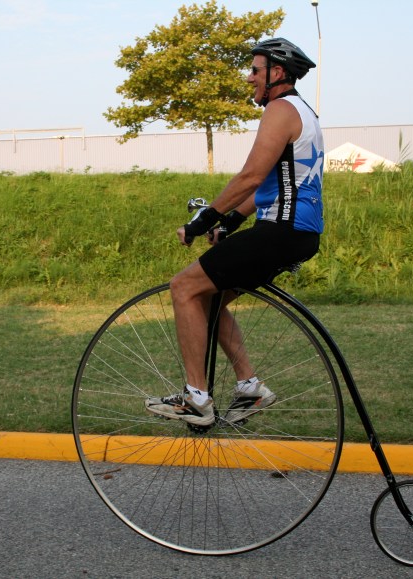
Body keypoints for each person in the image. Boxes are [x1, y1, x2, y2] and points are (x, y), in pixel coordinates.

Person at [145, 37, 324, 427]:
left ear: (277, 73)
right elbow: (273, 186)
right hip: (296, 232)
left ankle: (196, 399)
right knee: (208, 299)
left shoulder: (279, 109)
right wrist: (230, 222)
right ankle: (249, 387)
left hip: (279, 230)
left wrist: (203, 220)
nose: (249, 78)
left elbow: (250, 176)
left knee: (184, 287)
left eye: (255, 70)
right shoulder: (304, 112)